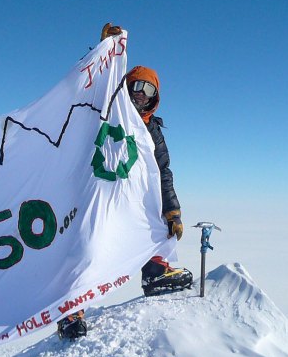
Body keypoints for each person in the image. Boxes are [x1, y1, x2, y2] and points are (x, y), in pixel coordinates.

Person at [57, 24, 193, 339]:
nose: (141, 96)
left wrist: (172, 210)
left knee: (156, 226)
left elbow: (163, 171)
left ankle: (156, 272)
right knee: (86, 245)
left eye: (149, 91)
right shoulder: (106, 110)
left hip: (130, 194)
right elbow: (89, 87)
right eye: (136, 87)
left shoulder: (153, 129)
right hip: (97, 189)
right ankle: (69, 311)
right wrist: (104, 51)